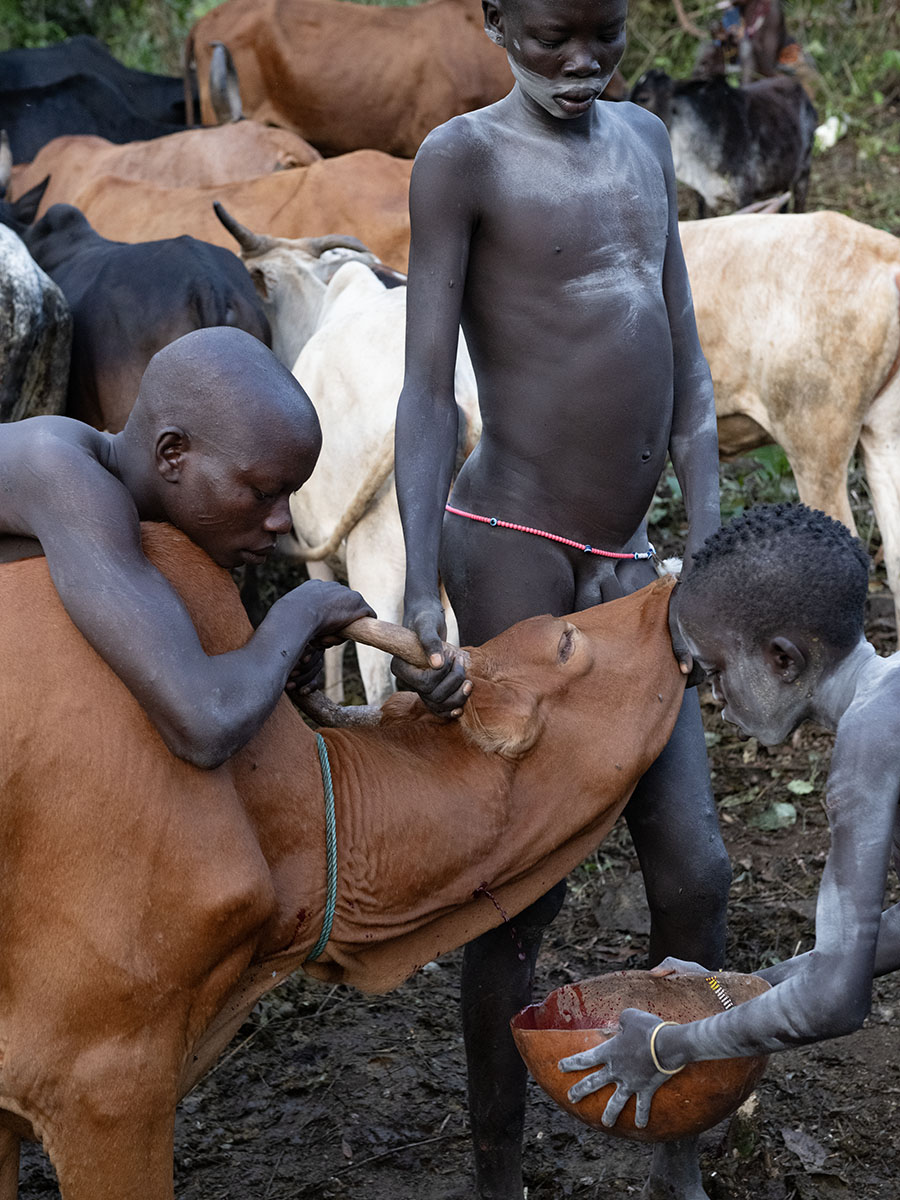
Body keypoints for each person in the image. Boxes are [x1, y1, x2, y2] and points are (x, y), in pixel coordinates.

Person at [391, 0, 731, 1195]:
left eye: (607, 36)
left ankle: (677, 1148)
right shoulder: (464, 161)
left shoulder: (643, 142)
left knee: (695, 870)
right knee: (515, 896)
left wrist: (712, 540)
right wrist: (414, 577)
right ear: (494, 20)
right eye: (550, 40)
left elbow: (686, 365)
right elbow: (429, 391)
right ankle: (497, 1168)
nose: (581, 65)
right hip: (510, 552)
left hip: (634, 565)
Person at [560, 504, 896, 1135]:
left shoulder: (871, 741)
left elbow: (833, 999)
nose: (715, 700)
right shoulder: (890, 700)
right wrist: (733, 987)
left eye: (715, 672)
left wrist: (666, 1047)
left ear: (781, 661)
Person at [0, 325, 373, 769]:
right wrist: (302, 613)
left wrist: (275, 661)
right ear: (173, 454)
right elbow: (202, 724)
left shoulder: (101, 498)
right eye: (262, 492)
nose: (282, 522)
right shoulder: (64, 475)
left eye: (290, 496)